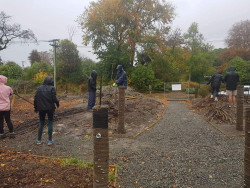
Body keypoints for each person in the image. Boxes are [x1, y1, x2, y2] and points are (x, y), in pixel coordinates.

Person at [34, 76, 59, 145]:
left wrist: (36, 108)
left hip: (41, 109)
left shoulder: (39, 88)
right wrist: (57, 104)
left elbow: (35, 99)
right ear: (51, 81)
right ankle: (50, 140)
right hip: (50, 108)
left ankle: (39, 140)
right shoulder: (52, 88)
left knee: (41, 122)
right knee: (50, 122)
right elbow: (54, 98)